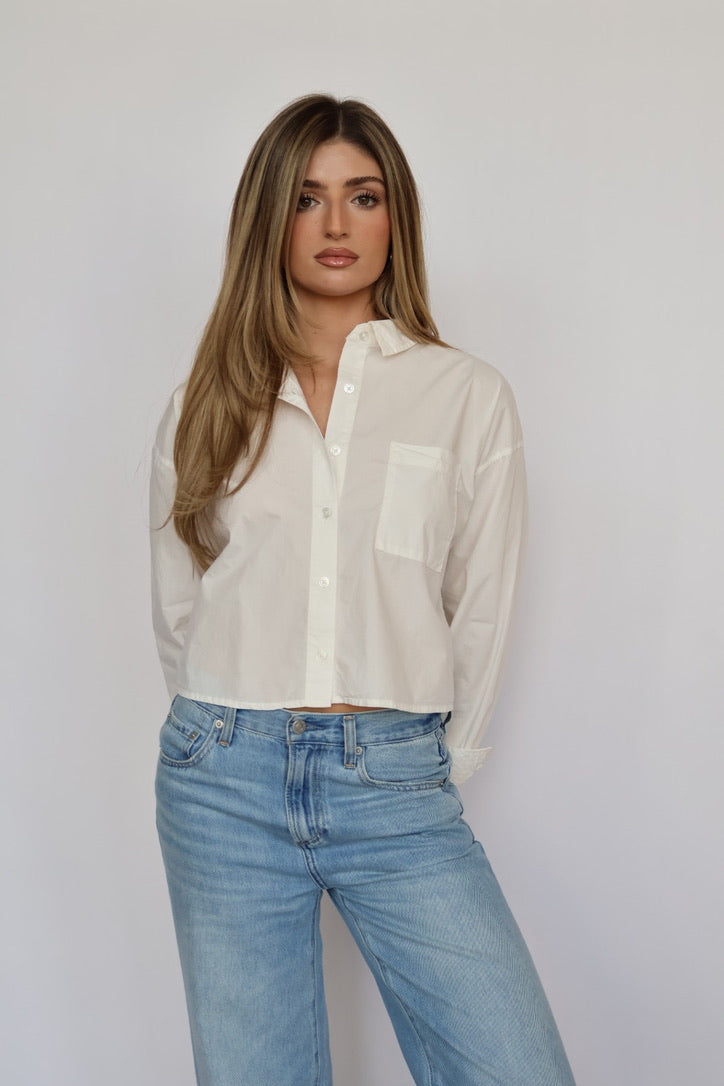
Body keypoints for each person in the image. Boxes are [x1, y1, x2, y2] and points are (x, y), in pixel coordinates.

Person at [150, 93, 575, 1086]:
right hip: (221, 780)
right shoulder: (206, 402)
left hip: (394, 779)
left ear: (396, 217)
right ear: (270, 219)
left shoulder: (465, 396)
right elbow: (181, 608)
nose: (336, 223)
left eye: (363, 196)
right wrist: (228, 727)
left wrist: (431, 765)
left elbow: (481, 603)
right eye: (306, 198)